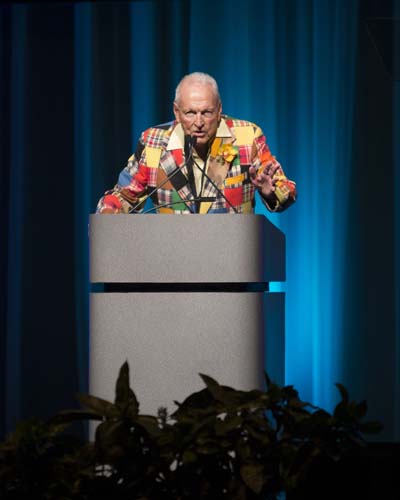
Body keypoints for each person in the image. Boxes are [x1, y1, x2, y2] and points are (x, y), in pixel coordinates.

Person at [97, 72, 296, 214]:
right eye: (190, 113)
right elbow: (123, 197)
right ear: (176, 112)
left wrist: (271, 192)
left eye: (207, 112)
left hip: (231, 254)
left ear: (219, 110)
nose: (199, 122)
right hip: (172, 255)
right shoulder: (153, 143)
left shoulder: (246, 136)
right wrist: (108, 212)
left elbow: (286, 190)